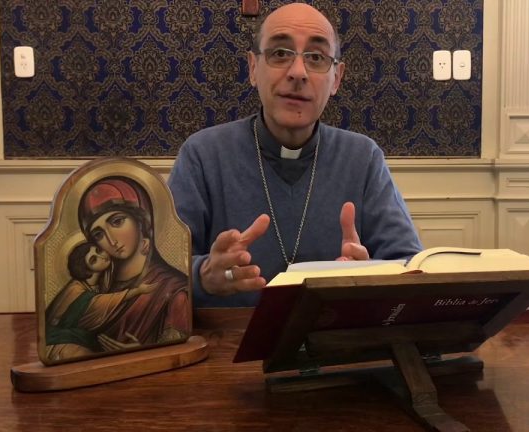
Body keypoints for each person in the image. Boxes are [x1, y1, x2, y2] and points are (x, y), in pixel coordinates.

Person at [168, 3, 422, 307]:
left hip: (334, 335)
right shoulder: (202, 154)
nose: (298, 72)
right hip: (231, 335)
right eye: (280, 53)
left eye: (316, 57)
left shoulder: (363, 158)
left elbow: (411, 268)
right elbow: (157, 272)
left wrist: (372, 276)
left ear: (336, 78)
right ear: (253, 68)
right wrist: (204, 275)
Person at [76, 177, 191, 351]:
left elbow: (174, 351)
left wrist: (144, 352)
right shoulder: (99, 289)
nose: (111, 240)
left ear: (141, 220)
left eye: (117, 221)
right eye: (98, 234)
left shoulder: (173, 291)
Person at [44, 241, 157, 361]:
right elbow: (101, 303)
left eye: (98, 250)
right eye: (94, 260)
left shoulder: (99, 282)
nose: (102, 256)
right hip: (63, 343)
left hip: (78, 339)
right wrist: (138, 290)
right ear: (87, 270)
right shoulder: (76, 290)